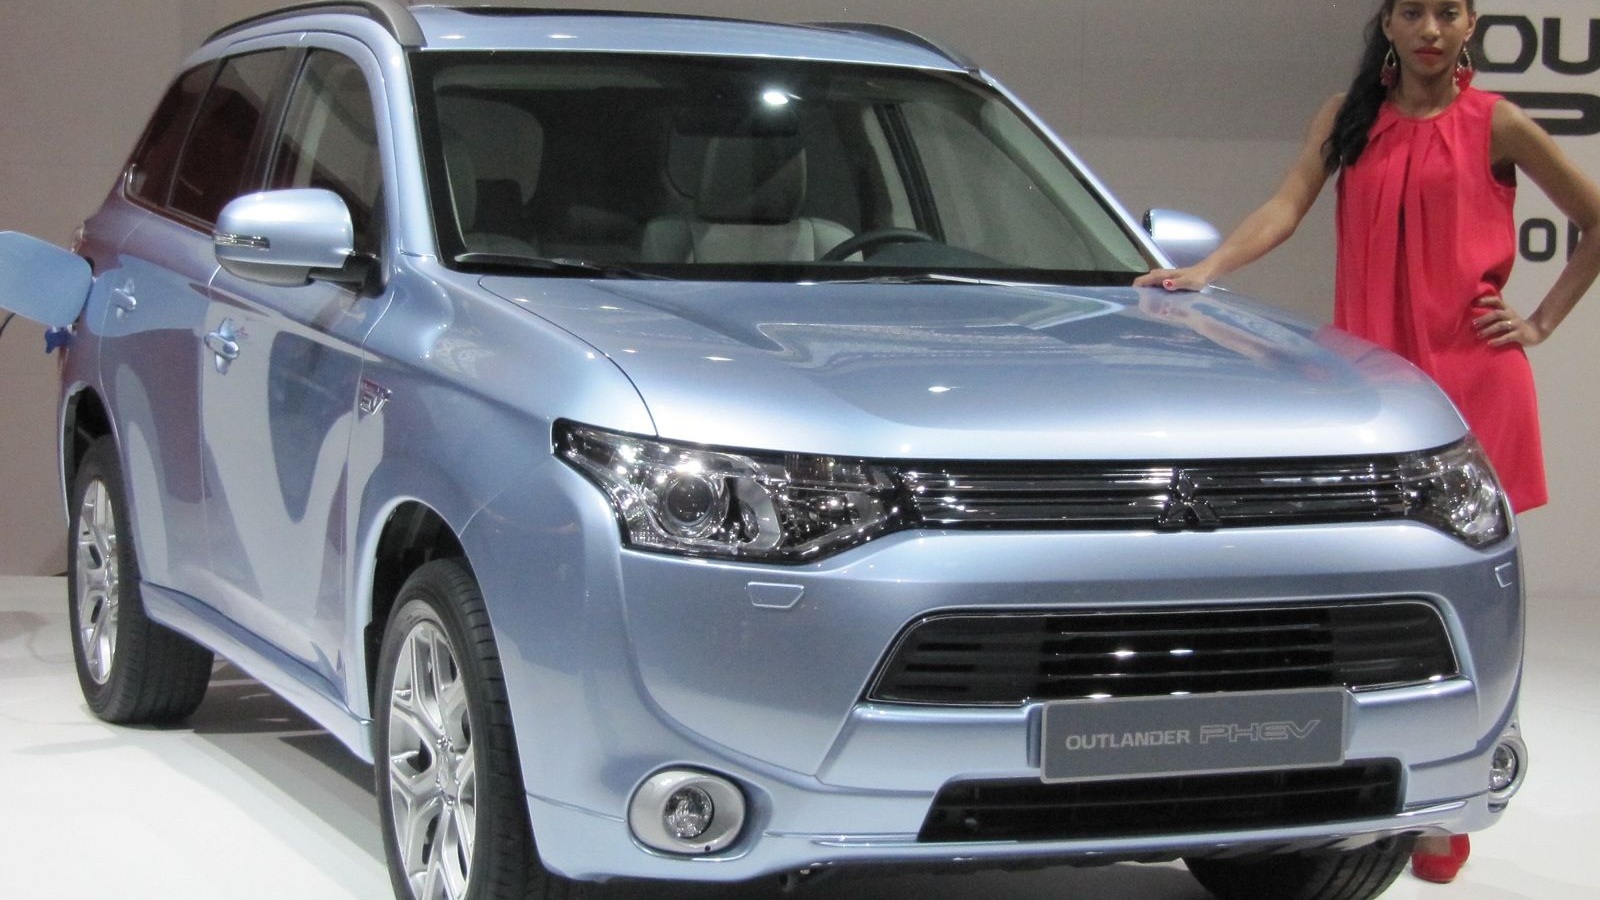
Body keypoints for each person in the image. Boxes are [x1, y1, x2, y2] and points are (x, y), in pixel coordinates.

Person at [1135, 0, 1600, 884]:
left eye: (1448, 13)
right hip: (1374, 390)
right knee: (1367, 592)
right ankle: (1366, 777)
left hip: (1471, 382)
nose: (1430, 28)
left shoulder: (1496, 121)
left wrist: (1538, 322)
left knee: (1475, 594)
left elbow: (1595, 216)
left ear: (1470, 27)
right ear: (1387, 24)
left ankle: (1455, 793)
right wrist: (1208, 270)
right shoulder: (1350, 116)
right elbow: (1288, 204)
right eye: (1413, 12)